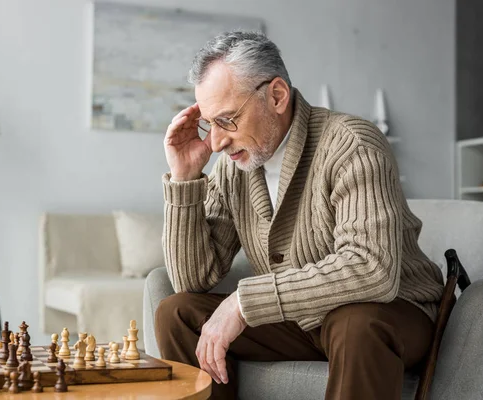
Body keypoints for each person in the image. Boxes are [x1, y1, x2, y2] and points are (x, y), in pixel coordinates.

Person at [156, 30, 444, 400]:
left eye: (227, 120)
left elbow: (372, 268)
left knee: (356, 322)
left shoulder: (352, 143)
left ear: (276, 96)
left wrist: (243, 303)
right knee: (176, 313)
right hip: (301, 321)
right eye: (209, 123)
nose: (215, 142)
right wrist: (184, 179)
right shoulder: (232, 169)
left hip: (393, 313)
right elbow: (191, 280)